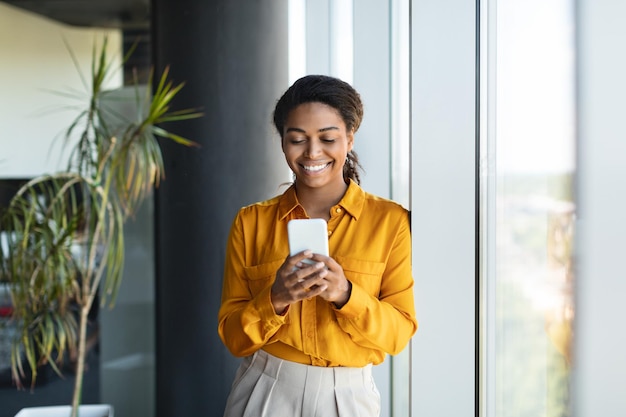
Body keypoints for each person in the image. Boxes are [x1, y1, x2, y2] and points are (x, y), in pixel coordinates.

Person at [218, 75, 417, 417]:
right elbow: (234, 337)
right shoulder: (250, 223)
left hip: (349, 396)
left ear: (349, 139)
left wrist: (346, 294)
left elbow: (398, 334)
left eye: (327, 138)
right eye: (297, 139)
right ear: (283, 143)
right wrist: (276, 297)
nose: (312, 152)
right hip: (267, 388)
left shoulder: (392, 222)